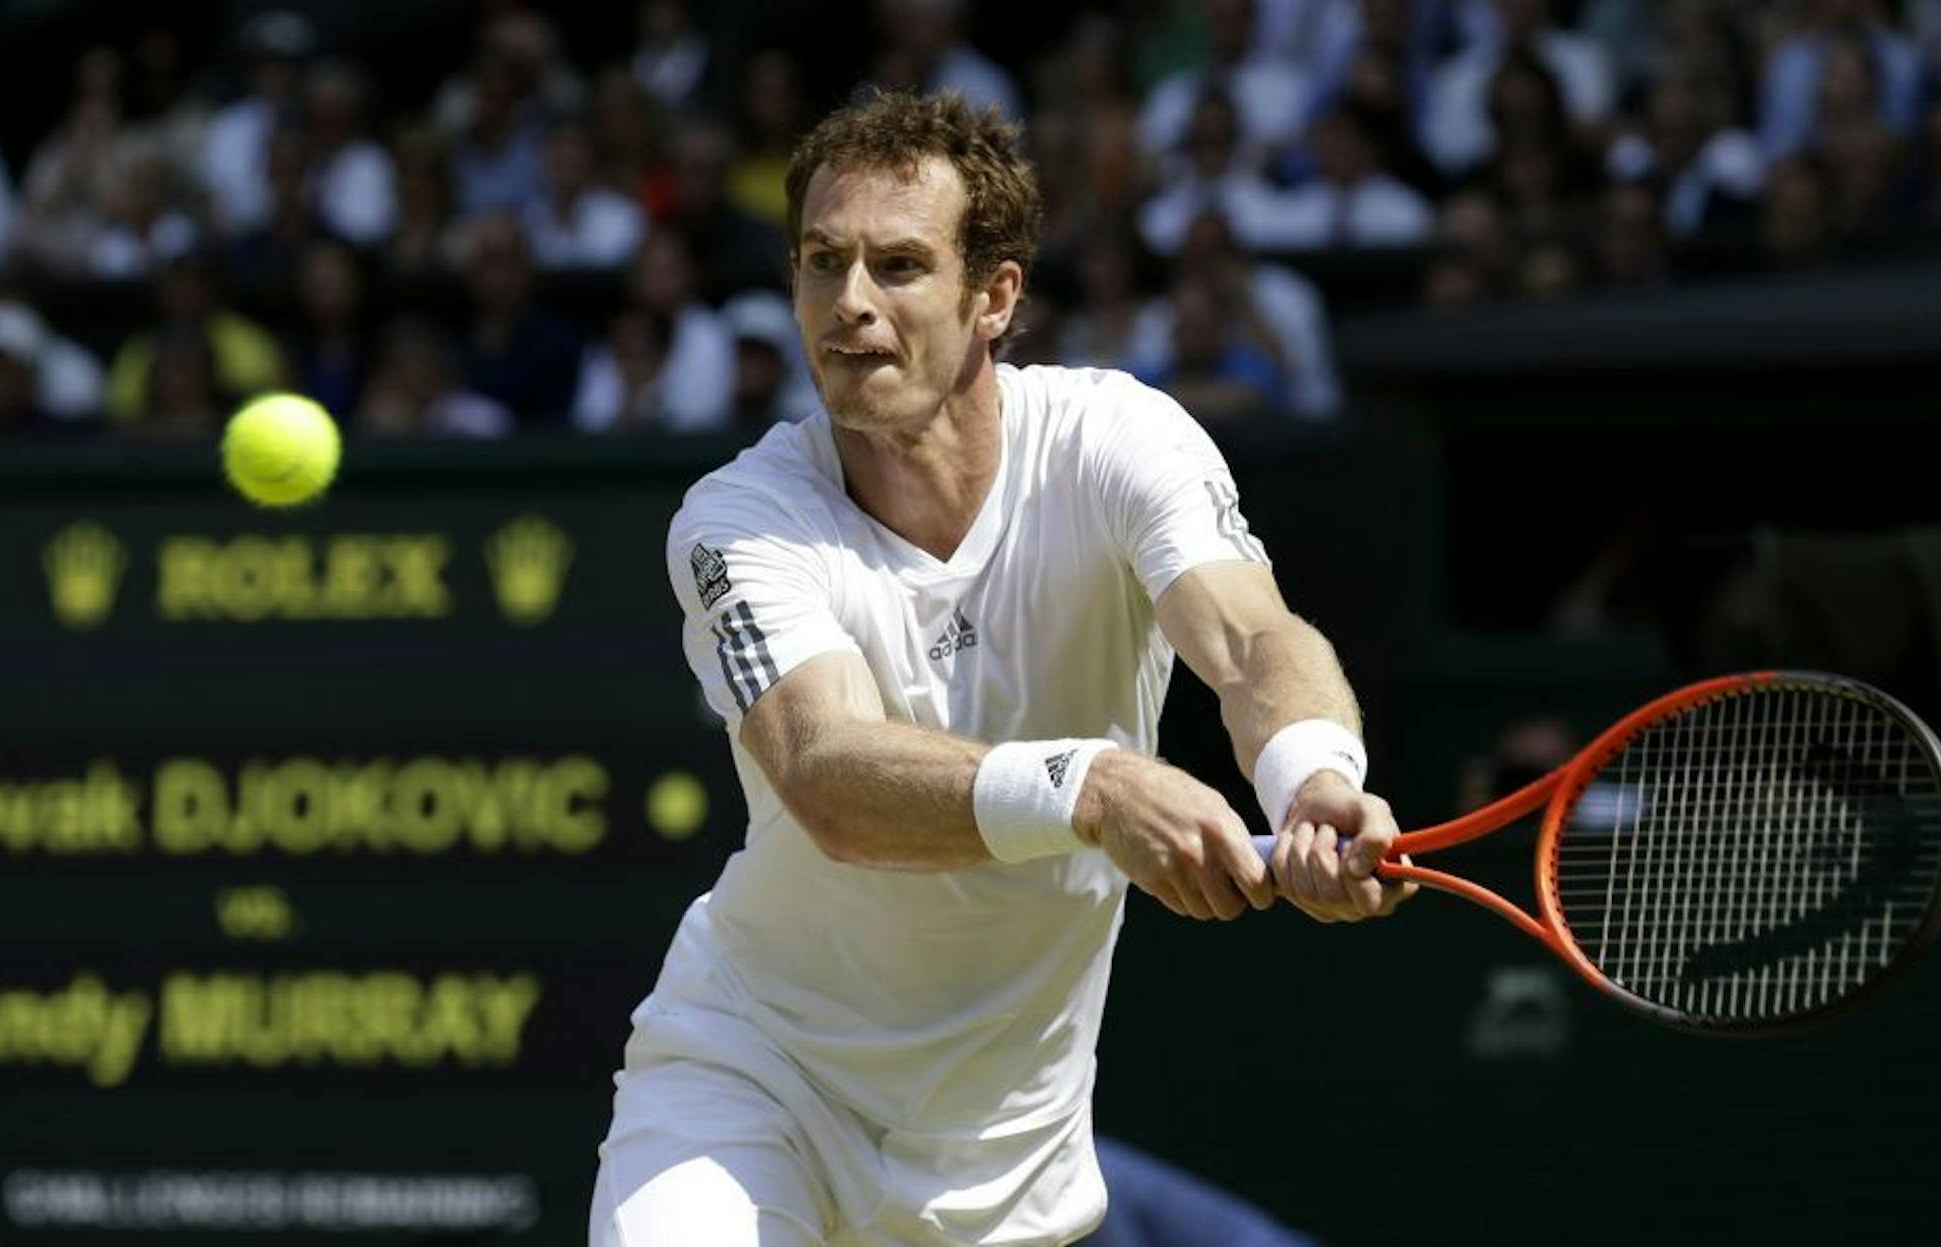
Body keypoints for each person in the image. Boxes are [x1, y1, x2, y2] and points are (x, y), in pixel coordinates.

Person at [591, 90, 1411, 1247]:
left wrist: (1313, 776)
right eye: (823, 262)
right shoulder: (739, 519)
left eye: (899, 265)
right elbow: (825, 772)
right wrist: (1094, 785)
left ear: (996, 297)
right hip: (753, 1084)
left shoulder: (1120, 439)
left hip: (1008, 1169)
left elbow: (1249, 640)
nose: (851, 301)